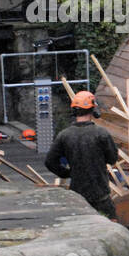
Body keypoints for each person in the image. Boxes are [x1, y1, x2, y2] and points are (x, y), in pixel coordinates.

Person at [44, 91, 120, 220]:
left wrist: (67, 173)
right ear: (93, 110)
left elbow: (50, 162)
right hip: (100, 193)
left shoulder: (64, 135)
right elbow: (112, 159)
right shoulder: (101, 133)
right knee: (111, 223)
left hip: (77, 194)